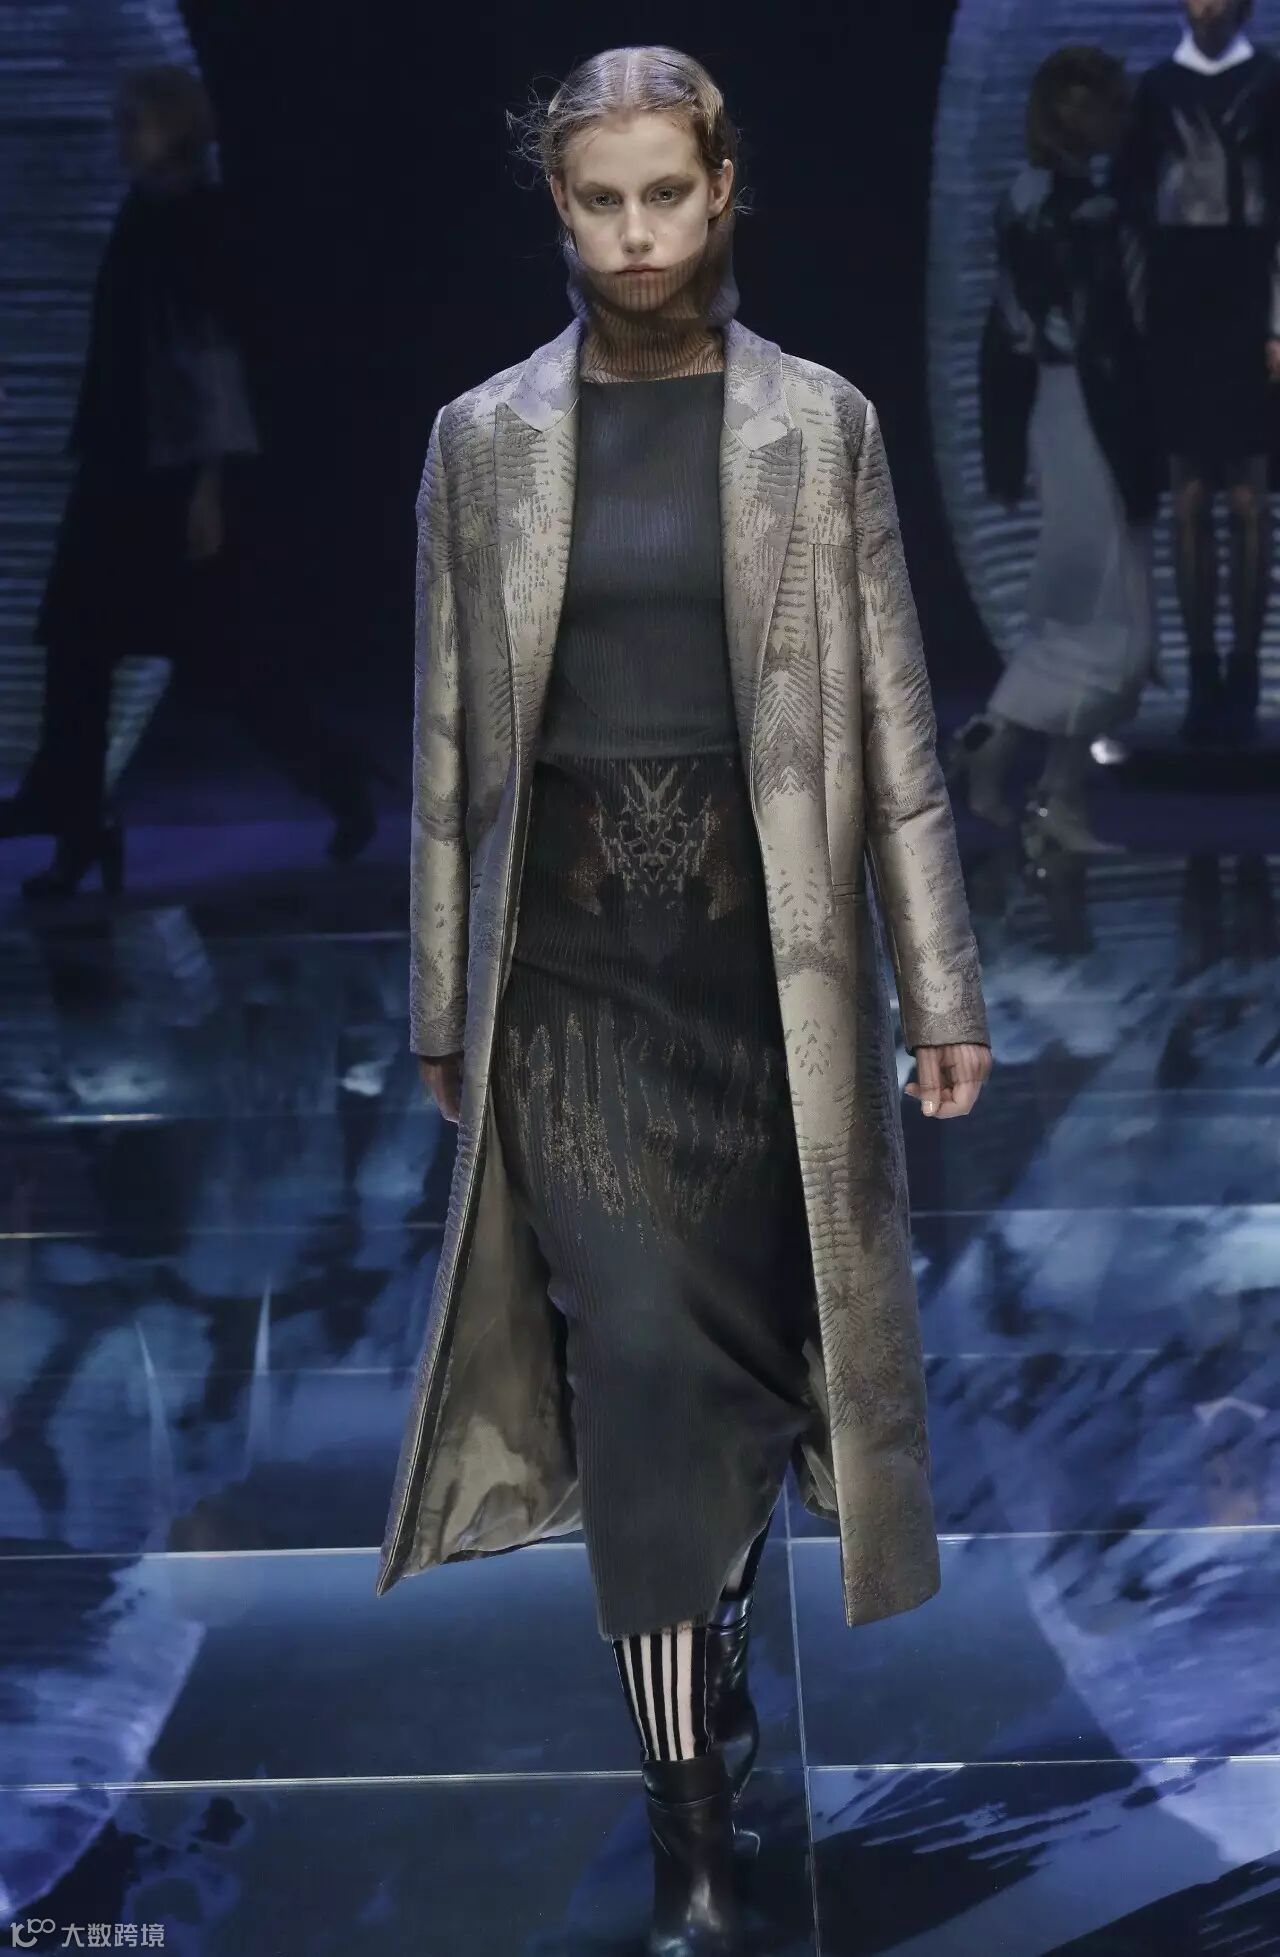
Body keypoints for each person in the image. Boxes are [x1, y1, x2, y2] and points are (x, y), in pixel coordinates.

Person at [377, 46, 993, 1954]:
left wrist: (942, 989)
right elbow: (448, 742)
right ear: (557, 209)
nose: (637, 235)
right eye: (601, 200)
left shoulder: (821, 426)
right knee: (639, 1366)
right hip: (571, 995)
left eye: (666, 194)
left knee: (732, 1379)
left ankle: (704, 1642)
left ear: (723, 192)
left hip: (765, 994)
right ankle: (690, 1834)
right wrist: (441, 1002)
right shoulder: (484, 441)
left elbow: (896, 726)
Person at [0, 64, 380, 899]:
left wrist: (210, 485)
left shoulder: (201, 223)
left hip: (175, 474)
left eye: (133, 121)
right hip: (122, 462)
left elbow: (216, 361)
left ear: (173, 127)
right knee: (78, 641)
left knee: (226, 662)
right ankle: (75, 822)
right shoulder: (144, 215)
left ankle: (340, 779)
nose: (120, 137)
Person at [953, 46, 1163, 856]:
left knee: (1097, 613)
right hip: (1088, 415)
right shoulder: (1084, 213)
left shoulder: (1028, 199)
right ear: (1077, 111)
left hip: (1061, 410)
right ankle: (1016, 756)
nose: (1120, 119)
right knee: (1114, 627)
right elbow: (1111, 338)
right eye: (1110, 103)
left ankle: (1041, 780)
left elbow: (1007, 331)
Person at [1113, 0, 1280, 747]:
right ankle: (1204, 676)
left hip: (1247, 297)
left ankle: (1242, 674)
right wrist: (1138, 326)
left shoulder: (1270, 83)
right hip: (1178, 309)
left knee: (1248, 497)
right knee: (1187, 498)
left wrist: (1278, 321)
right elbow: (1129, 212)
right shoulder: (1154, 91)